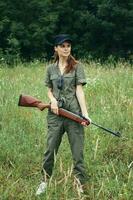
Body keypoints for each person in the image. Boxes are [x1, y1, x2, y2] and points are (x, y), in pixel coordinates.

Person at [36, 34, 91, 195]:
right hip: (55, 115)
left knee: (77, 153)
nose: (66, 48)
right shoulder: (50, 69)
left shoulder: (77, 66)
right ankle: (44, 182)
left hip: (73, 114)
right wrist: (52, 100)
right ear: (56, 48)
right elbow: (49, 89)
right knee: (50, 150)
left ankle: (81, 184)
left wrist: (85, 114)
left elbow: (79, 91)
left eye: (68, 46)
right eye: (62, 46)